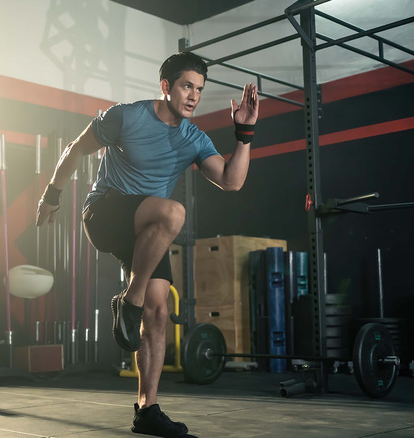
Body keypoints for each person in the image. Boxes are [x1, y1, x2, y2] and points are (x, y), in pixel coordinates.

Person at [36, 51, 258, 437]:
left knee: (159, 310)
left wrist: (244, 133)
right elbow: (74, 150)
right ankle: (129, 302)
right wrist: (51, 196)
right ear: (166, 86)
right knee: (174, 214)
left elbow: (232, 181)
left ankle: (147, 408)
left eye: (199, 90)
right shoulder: (126, 116)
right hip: (105, 214)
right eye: (187, 86)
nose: (193, 96)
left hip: (145, 233)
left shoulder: (193, 137)